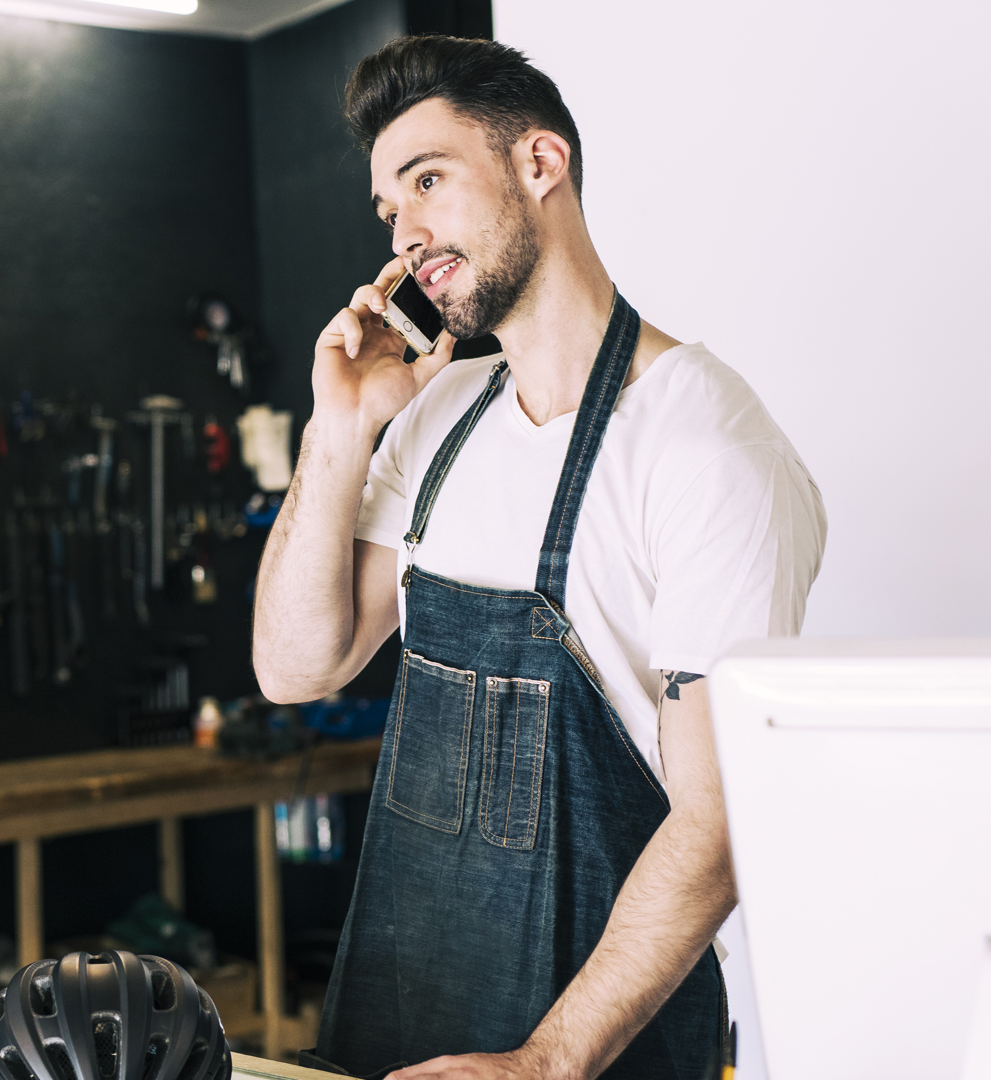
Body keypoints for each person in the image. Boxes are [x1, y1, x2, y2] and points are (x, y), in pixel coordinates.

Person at [250, 35, 825, 1080]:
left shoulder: (702, 444)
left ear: (540, 164)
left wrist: (546, 1063)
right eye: (389, 209)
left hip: (594, 1054)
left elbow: (723, 818)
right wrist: (341, 430)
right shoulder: (441, 420)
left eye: (429, 180)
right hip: (395, 1024)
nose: (408, 233)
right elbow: (296, 668)